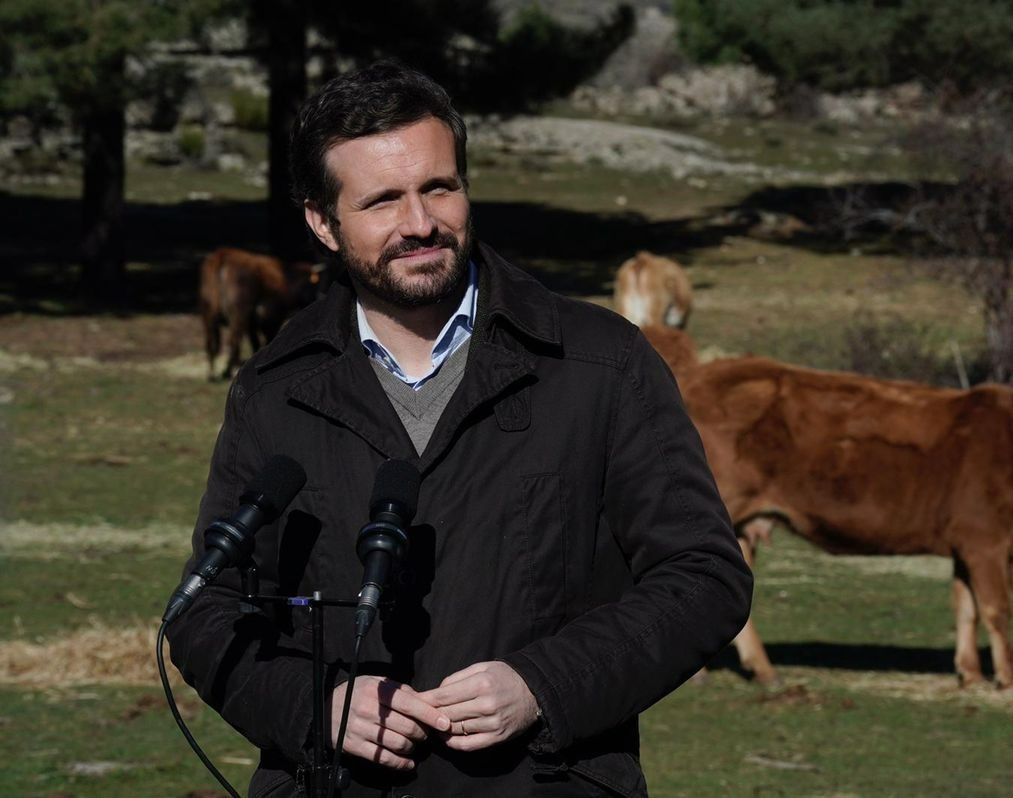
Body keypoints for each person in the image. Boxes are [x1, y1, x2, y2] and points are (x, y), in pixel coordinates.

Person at [166, 60, 752, 797]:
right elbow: (206, 613)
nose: (420, 224)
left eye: (438, 188)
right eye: (383, 201)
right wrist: (318, 707)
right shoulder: (274, 390)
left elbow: (706, 576)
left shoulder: (599, 363)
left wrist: (546, 683)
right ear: (322, 221)